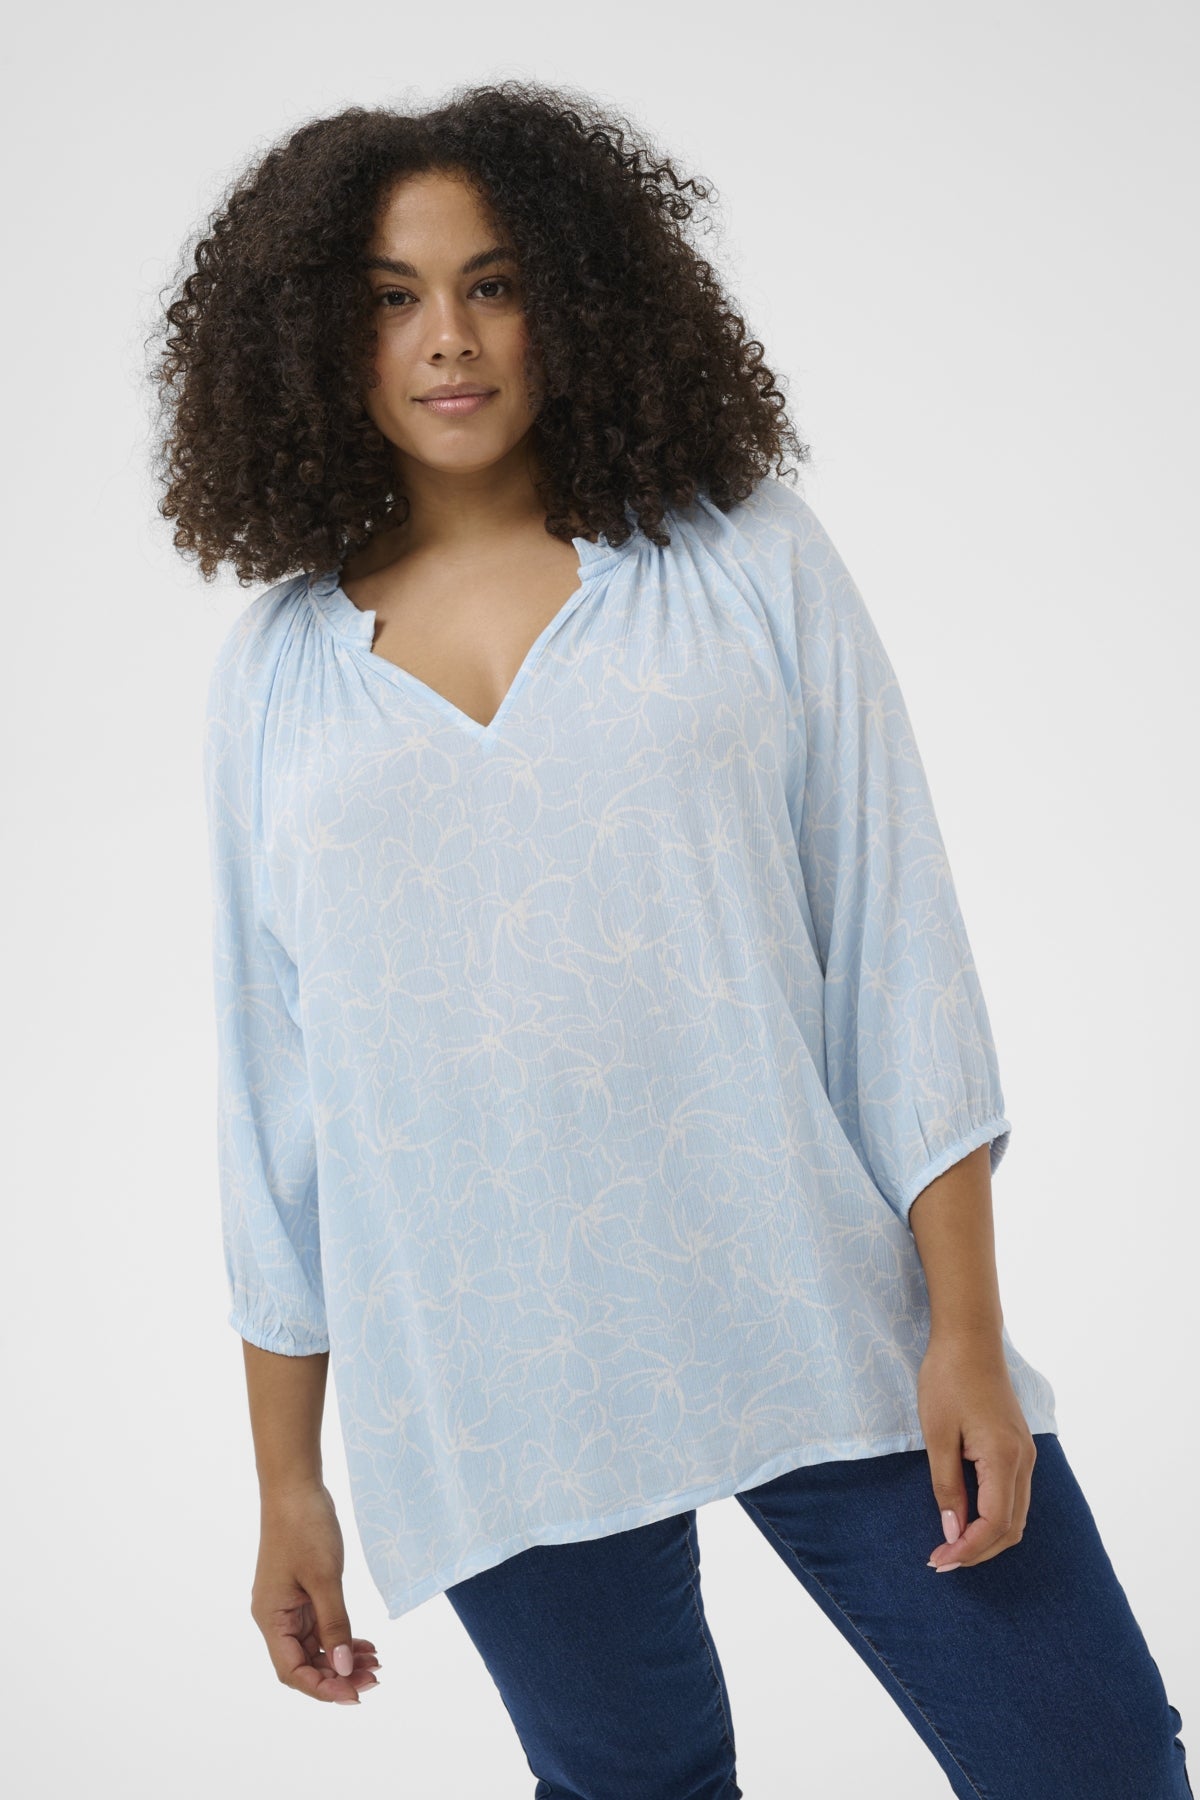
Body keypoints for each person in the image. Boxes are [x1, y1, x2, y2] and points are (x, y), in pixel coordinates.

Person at [150, 80, 1192, 1798]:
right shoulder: (275, 681)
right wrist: (287, 1481)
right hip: (490, 1381)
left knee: (1095, 1763)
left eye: (493, 284)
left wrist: (965, 1328)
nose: (448, 338)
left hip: (819, 1308)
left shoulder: (743, 562)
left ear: (574, 298)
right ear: (317, 338)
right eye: (393, 298)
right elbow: (277, 1107)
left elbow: (896, 951)